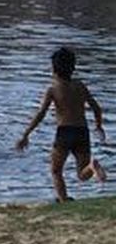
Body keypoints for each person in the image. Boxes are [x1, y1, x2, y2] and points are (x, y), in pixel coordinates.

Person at [16, 46, 107, 201]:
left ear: (54, 68)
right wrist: (98, 125)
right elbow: (96, 108)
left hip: (65, 132)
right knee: (82, 174)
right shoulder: (80, 85)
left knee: (56, 170)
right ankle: (92, 166)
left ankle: (63, 200)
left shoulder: (53, 89)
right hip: (82, 131)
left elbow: (41, 114)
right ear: (73, 67)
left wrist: (26, 134)